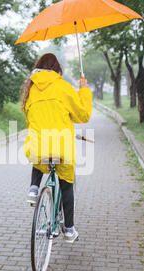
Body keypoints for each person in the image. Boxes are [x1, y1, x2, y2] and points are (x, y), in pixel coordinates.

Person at [21, 53, 92, 243]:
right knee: (66, 184)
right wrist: (84, 91)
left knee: (39, 153)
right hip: (61, 149)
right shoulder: (63, 87)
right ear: (57, 69)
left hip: (38, 147)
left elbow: (29, 120)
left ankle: (34, 189)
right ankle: (69, 230)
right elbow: (82, 115)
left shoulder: (32, 90)